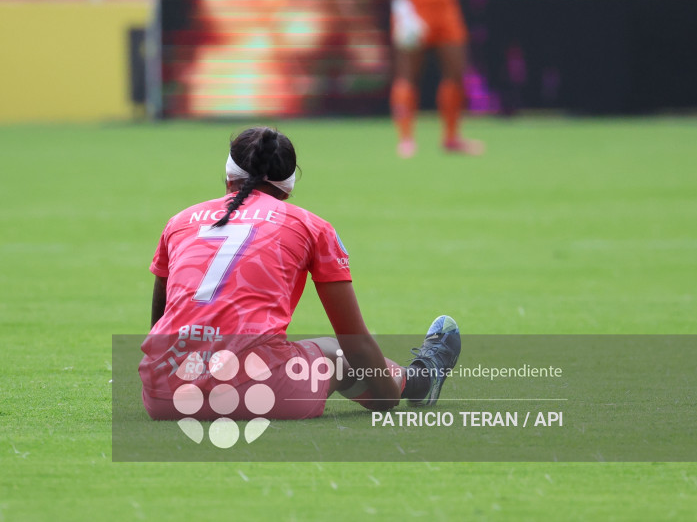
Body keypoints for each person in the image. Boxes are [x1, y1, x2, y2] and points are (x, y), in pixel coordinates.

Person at [140, 126, 461, 421]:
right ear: (289, 186)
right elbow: (355, 341)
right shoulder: (310, 226)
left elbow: (160, 325)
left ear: (228, 176)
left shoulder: (180, 221)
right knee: (334, 352)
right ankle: (419, 381)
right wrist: (389, 398)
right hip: (259, 394)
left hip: (166, 396)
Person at [388, 0, 484, 158]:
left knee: (456, 72)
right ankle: (405, 139)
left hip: (445, 7)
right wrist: (403, 10)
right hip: (414, 6)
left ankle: (451, 138)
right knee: (407, 74)